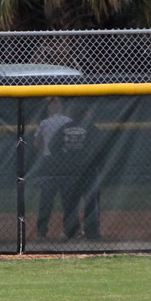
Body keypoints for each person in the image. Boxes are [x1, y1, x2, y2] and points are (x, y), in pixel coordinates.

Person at [49, 99, 101, 240]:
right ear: (85, 113)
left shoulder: (64, 128)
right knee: (91, 202)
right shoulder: (91, 128)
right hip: (88, 172)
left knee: (70, 203)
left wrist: (64, 160)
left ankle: (72, 232)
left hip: (68, 171)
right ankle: (92, 233)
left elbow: (53, 147)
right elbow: (99, 149)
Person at [32, 97, 71, 239]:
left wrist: (45, 151)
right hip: (65, 161)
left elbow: (37, 143)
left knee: (47, 198)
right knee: (67, 198)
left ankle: (42, 232)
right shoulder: (67, 121)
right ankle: (69, 231)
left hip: (49, 161)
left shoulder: (45, 122)